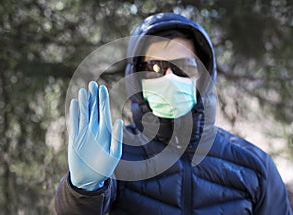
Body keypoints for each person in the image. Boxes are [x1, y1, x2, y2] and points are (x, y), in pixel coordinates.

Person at [55, 12, 292, 215]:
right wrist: (84, 190)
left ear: (203, 75)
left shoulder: (253, 166)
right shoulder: (116, 154)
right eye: (154, 67)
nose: (169, 77)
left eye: (184, 66)